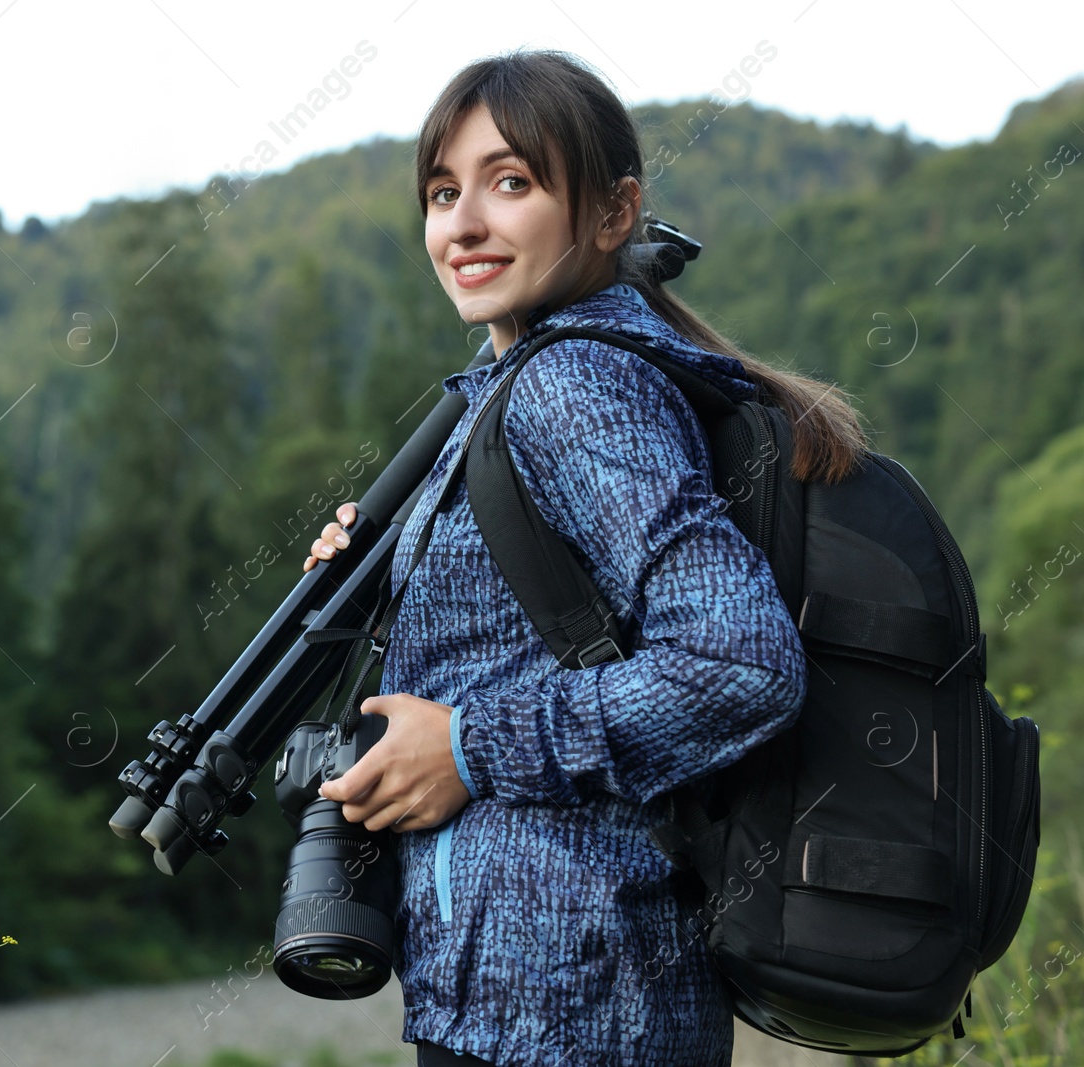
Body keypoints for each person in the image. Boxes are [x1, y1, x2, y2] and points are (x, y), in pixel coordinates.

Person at [300, 50, 869, 1067]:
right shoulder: (530, 382)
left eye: (509, 183)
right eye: (442, 191)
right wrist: (392, 584)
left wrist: (472, 747)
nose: (462, 224)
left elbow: (738, 664)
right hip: (542, 996)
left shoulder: (575, 387)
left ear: (613, 214)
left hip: (566, 1009)